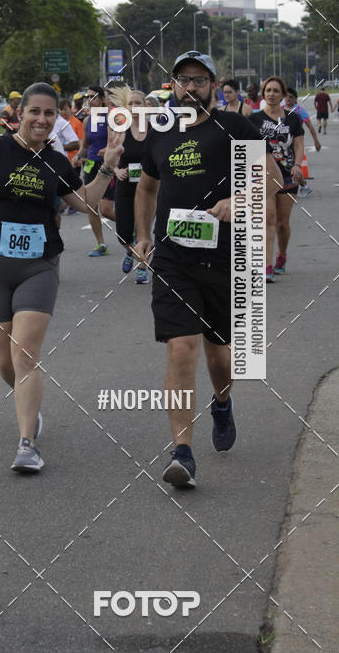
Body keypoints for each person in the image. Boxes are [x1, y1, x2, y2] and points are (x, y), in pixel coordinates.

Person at [0, 79, 124, 473]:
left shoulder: (55, 162)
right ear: (20, 114)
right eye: (35, 111)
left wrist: (106, 167)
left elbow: (84, 203)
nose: (42, 119)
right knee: (5, 362)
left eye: (50, 113)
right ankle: (29, 409)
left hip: (39, 264)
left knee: (25, 354)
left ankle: (27, 444)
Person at [134, 51, 278, 489]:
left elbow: (269, 178)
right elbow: (147, 186)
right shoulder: (162, 132)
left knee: (220, 356)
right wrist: (142, 235)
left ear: (213, 85)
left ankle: (221, 401)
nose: (190, 88)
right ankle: (183, 452)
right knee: (181, 349)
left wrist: (238, 202)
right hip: (173, 257)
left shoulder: (235, 127)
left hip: (222, 257)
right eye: (183, 80)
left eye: (199, 80)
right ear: (173, 86)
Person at [250, 77, 305, 281]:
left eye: (275, 91)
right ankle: (267, 265)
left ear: (282, 94)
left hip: (287, 176)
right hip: (262, 176)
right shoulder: (254, 119)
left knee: (282, 223)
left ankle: (281, 254)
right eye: (268, 90)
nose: (271, 94)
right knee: (268, 220)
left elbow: (299, 145)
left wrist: (297, 166)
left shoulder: (292, 118)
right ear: (263, 94)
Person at [111, 87, 150, 283]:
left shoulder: (155, 131)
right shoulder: (120, 130)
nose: (135, 107)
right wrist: (117, 171)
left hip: (148, 190)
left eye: (138, 103)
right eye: (131, 103)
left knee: (143, 231)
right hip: (125, 187)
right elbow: (110, 160)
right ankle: (130, 251)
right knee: (123, 233)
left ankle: (142, 267)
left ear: (145, 106)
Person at [73, 85, 117, 257]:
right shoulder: (87, 120)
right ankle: (101, 243)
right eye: (87, 97)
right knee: (91, 206)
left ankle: (132, 226)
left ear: (101, 99)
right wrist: (77, 156)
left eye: (92, 97)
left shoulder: (112, 118)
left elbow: (118, 141)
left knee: (106, 210)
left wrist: (108, 149)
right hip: (90, 165)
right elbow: (85, 146)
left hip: (106, 166)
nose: (89, 100)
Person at [58, 98, 83, 163]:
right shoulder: (56, 123)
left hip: (73, 159)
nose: (63, 112)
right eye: (61, 109)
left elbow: (81, 142)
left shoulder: (77, 123)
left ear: (70, 109)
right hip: (60, 158)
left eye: (65, 109)